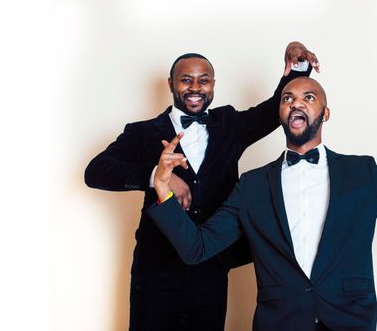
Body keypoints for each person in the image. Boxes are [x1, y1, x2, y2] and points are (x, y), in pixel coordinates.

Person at [84, 42, 320, 331]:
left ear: (213, 85)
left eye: (203, 80)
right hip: (156, 266)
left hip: (211, 265)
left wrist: (296, 68)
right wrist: (156, 175)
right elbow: (95, 171)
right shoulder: (142, 132)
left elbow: (274, 110)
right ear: (171, 83)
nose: (195, 87)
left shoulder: (230, 124)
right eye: (186, 79)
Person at [148, 76, 377, 331]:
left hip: (351, 319)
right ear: (280, 114)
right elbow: (196, 248)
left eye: (308, 98)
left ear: (326, 114)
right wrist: (161, 187)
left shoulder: (364, 172)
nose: (295, 103)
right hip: (280, 322)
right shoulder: (252, 185)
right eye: (287, 98)